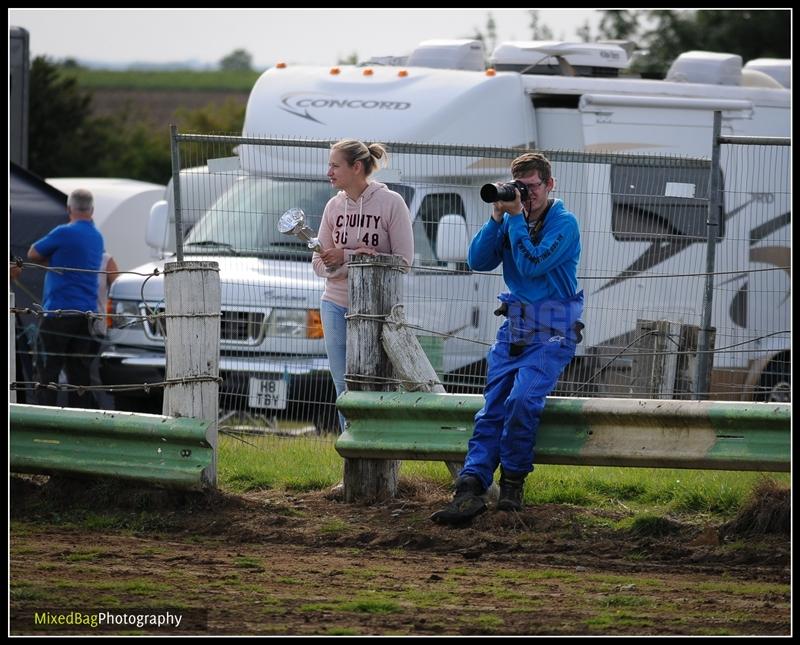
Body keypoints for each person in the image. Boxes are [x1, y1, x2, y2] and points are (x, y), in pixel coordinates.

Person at [431, 152, 583, 525]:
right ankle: (470, 489)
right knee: (492, 409)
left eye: (532, 188)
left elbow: (532, 263)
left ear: (550, 185)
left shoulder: (565, 223)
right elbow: (477, 261)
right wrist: (496, 217)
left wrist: (515, 218)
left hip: (552, 332)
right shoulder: (512, 217)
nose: (525, 195)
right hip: (513, 328)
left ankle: (512, 487)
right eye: (520, 188)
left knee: (522, 401)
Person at [312, 139, 414, 432]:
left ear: (356, 167)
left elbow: (403, 261)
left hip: (377, 310)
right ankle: (351, 455)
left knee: (374, 381)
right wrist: (344, 262)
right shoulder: (333, 206)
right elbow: (318, 263)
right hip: (335, 305)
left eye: (335, 165)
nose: (329, 172)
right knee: (343, 383)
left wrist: (347, 255)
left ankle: (376, 450)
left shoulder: (391, 203)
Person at [28, 188, 105, 408]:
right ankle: (78, 424)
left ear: (69, 208)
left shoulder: (63, 232)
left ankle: (44, 419)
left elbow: (33, 253)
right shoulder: (97, 237)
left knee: (47, 370)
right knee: (79, 375)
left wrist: (52, 262)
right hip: (86, 315)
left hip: (58, 312)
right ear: (92, 210)